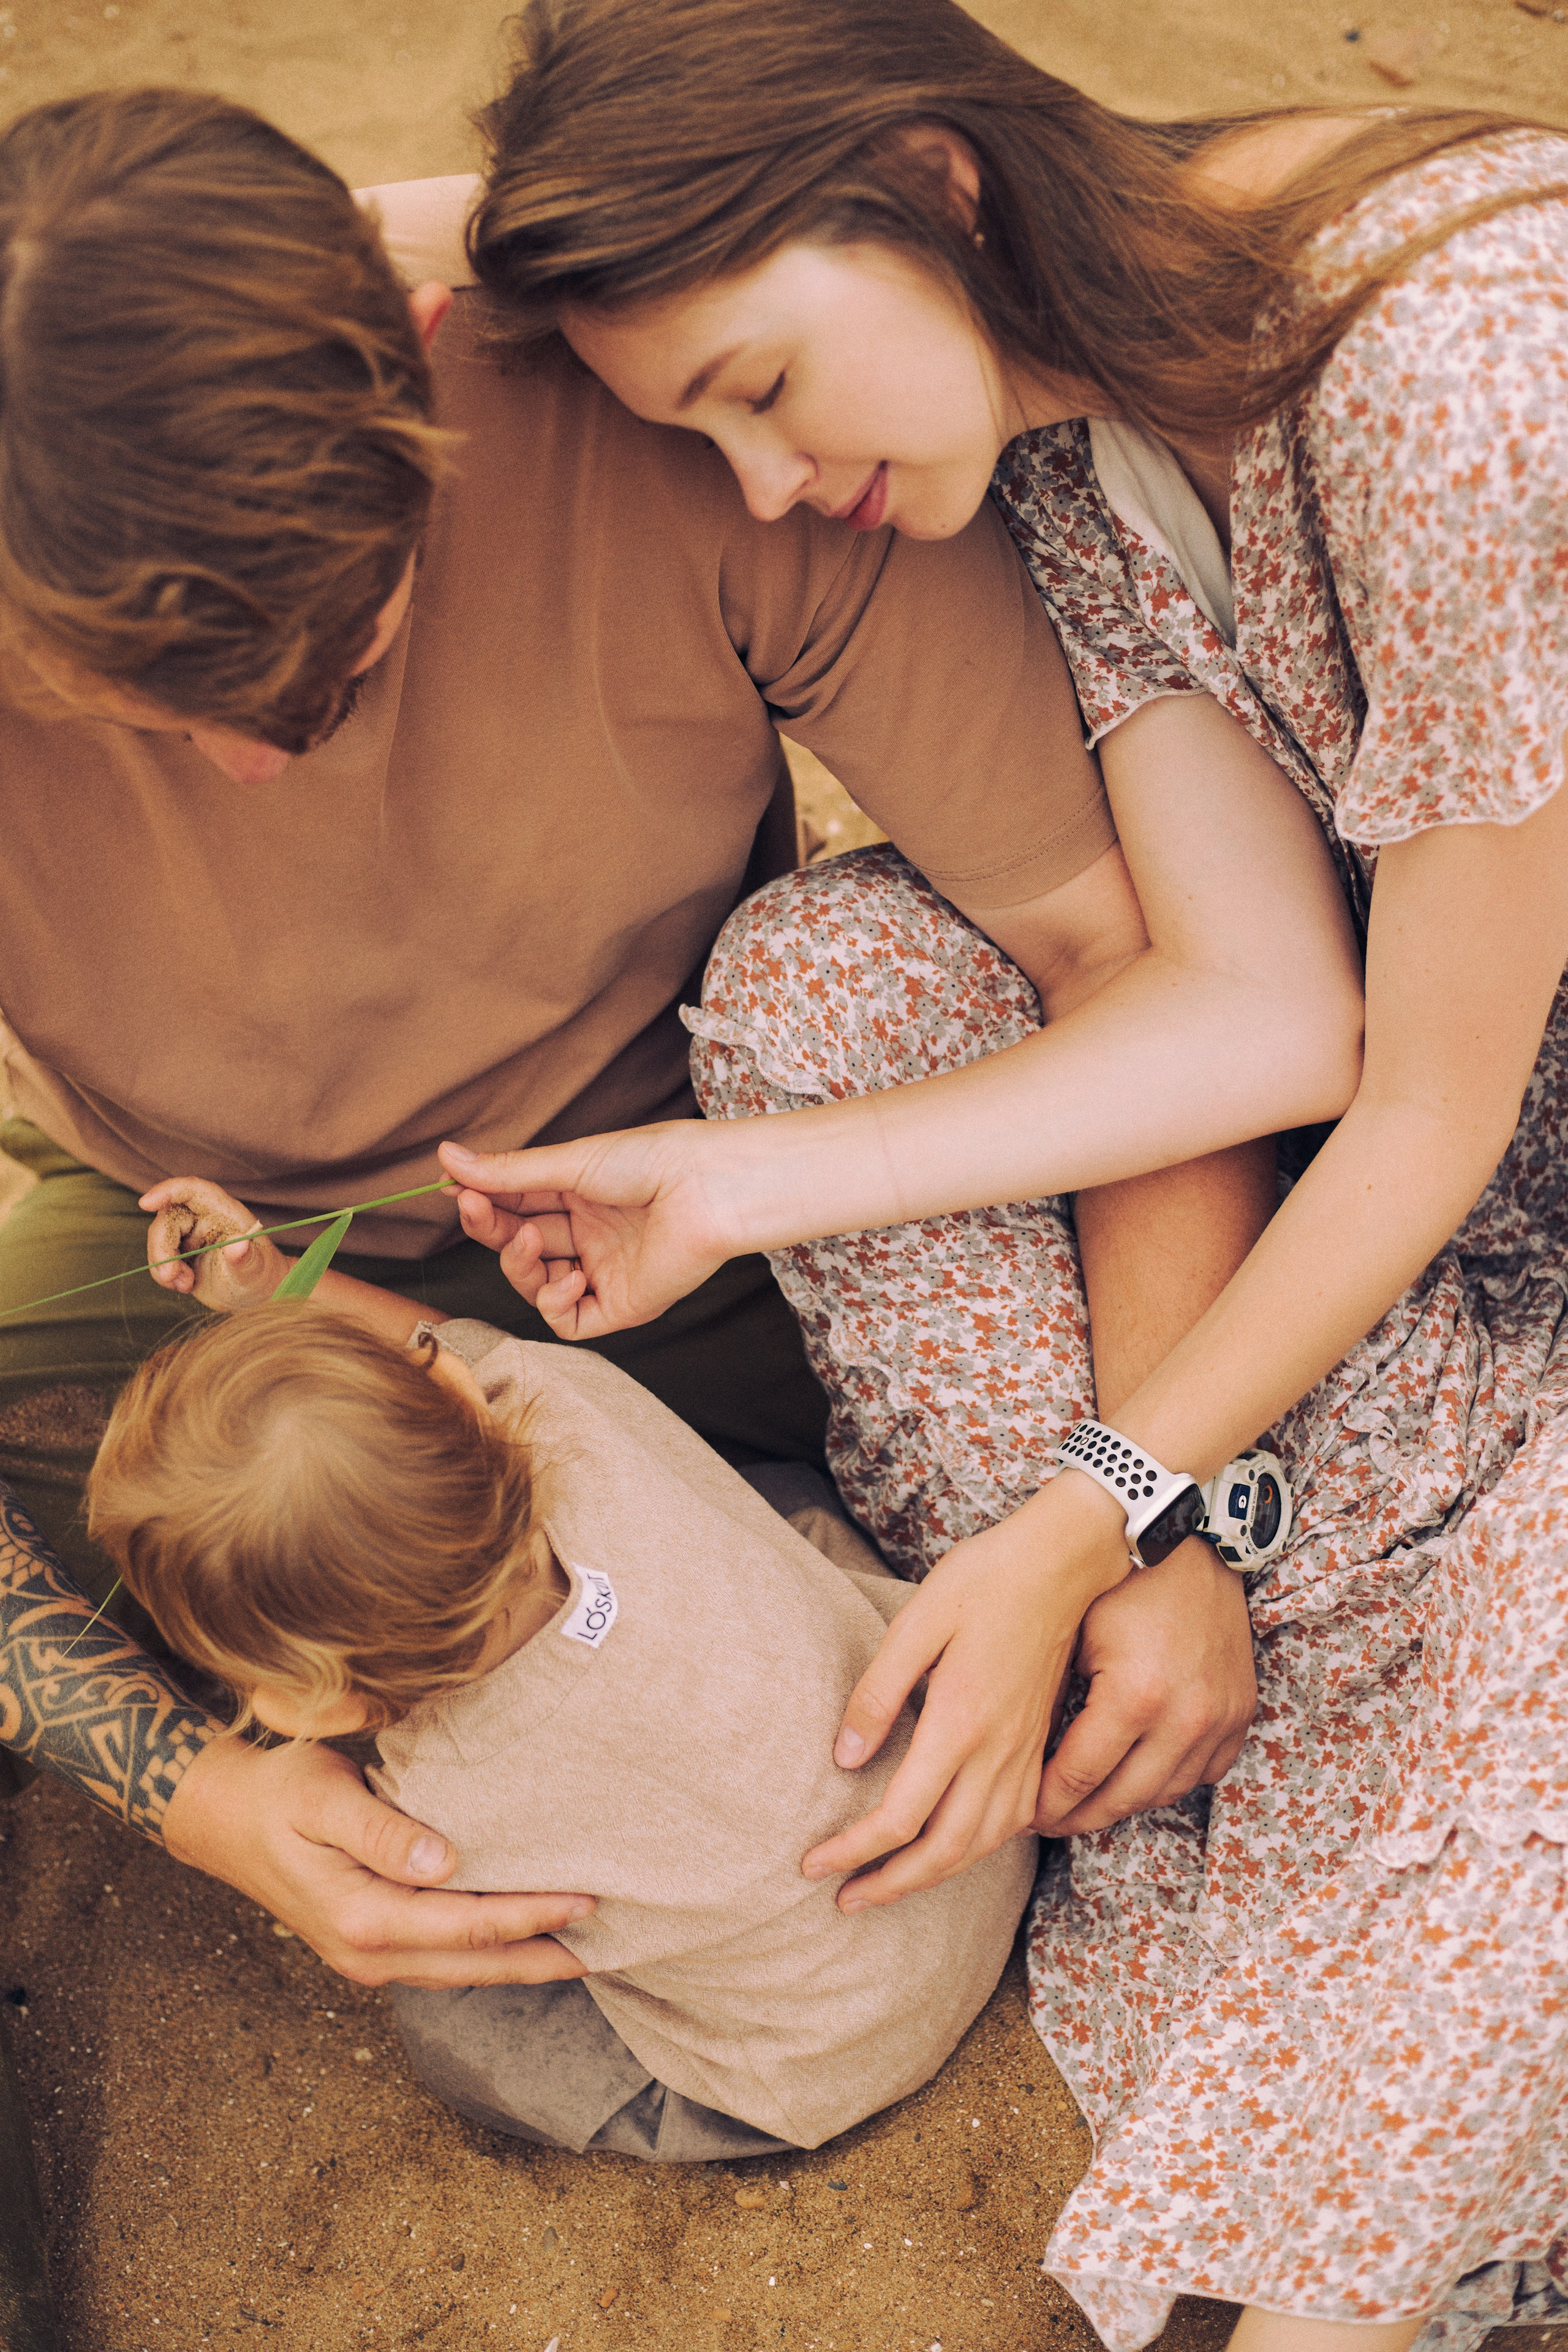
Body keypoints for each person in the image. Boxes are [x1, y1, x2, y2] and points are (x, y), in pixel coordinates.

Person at [0, 81, 1352, 2333]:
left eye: (339, 652)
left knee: (1244, 1629)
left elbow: (1121, 966)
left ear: (427, 372)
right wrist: (192, 1788)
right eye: (127, 710)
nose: (248, 768)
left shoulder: (668, 418)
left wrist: (1157, 1512)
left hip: (684, 1186)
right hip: (184, 1247)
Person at [435, 4, 1568, 2346]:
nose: (761, 488)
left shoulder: (1460, 387)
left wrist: (1092, 1506)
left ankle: (1370, 2138)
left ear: (937, 184)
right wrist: (732, 1192)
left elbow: (1430, 1107)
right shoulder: (1070, 440)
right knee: (825, 991)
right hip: (1448, 1208)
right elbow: (1270, 1012)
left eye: (757, 387)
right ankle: (1302, 1658)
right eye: (698, 437)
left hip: (1473, 1164)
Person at [85, 1174, 1034, 2160]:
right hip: (978, 1819)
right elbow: (439, 1346)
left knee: (449, 2020)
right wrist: (279, 1283)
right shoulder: (559, 1398)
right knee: (768, 1501)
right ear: (453, 1391)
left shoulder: (436, 1804)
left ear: (307, 1704)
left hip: (829, 2053)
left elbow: (500, 1931)